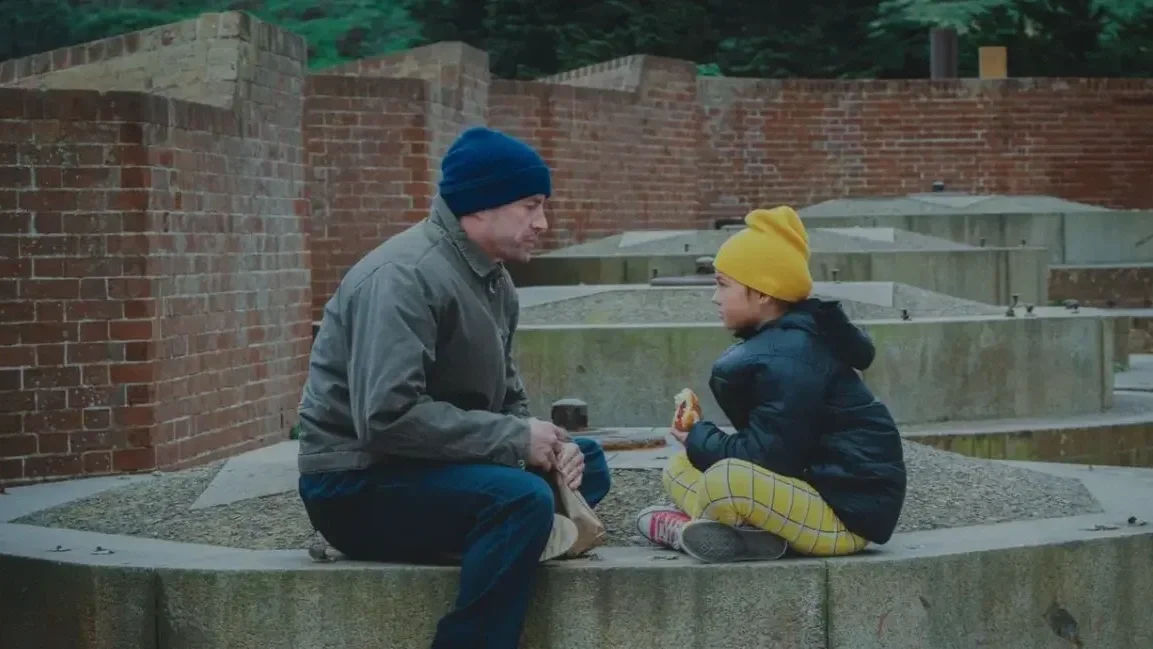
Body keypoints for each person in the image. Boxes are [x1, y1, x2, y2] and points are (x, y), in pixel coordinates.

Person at [295, 126, 613, 649]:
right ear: (480, 205)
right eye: (530, 206)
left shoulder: (493, 279)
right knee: (521, 501)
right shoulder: (404, 276)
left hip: (430, 466)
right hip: (355, 486)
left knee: (589, 462)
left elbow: (508, 400)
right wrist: (516, 444)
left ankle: (502, 535)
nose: (543, 223)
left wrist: (550, 448)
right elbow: (385, 420)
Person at [635, 206, 906, 563]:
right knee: (678, 467)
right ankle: (735, 535)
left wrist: (701, 436)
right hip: (808, 493)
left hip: (845, 518)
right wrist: (696, 443)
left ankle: (685, 530)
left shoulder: (791, 358)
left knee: (725, 479)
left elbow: (767, 458)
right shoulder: (784, 345)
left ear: (763, 293)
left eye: (722, 284)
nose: (715, 297)